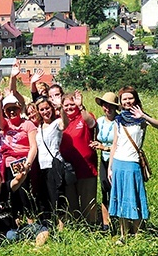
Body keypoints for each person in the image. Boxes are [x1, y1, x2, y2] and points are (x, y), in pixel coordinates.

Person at [109, 86, 158, 244]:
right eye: (124, 99)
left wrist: (144, 116)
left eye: (130, 98)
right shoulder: (118, 120)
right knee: (121, 199)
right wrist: (110, 167)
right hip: (119, 163)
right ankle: (123, 235)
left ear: (135, 99)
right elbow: (115, 144)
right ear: (120, 102)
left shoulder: (141, 119)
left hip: (133, 164)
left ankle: (138, 233)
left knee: (134, 198)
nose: (127, 101)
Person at [59, 90, 98, 224]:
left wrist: (81, 106)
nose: (69, 108)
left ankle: (92, 228)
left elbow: (92, 123)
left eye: (72, 104)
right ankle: (76, 228)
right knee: (71, 203)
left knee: (88, 202)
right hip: (68, 170)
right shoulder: (61, 122)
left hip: (86, 168)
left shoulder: (84, 117)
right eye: (66, 105)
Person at [0, 167, 49, 247]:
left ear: (1, 179)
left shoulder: (6, 187)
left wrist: (23, 172)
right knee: (12, 236)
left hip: (15, 229)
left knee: (42, 229)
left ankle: (36, 249)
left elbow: (18, 180)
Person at [0, 93, 38, 216]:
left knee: (24, 193)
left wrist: (27, 164)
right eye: (8, 110)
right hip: (8, 164)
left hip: (23, 162)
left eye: (14, 109)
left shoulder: (28, 124)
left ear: (20, 109)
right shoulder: (6, 124)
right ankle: (15, 220)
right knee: (12, 194)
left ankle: (30, 220)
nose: (11, 112)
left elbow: (33, 146)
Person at [34, 97, 69, 226]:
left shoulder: (57, 123)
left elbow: (65, 124)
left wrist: (61, 108)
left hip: (54, 164)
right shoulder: (38, 127)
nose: (45, 112)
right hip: (42, 166)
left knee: (57, 197)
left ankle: (62, 228)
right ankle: (49, 227)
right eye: (42, 109)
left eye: (47, 108)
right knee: (45, 198)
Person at [90, 91, 119, 231]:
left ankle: (118, 222)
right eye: (105, 105)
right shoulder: (100, 121)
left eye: (111, 106)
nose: (107, 108)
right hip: (104, 161)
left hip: (117, 161)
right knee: (105, 191)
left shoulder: (119, 122)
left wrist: (103, 147)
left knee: (117, 191)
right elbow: (95, 137)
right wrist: (96, 145)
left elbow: (119, 144)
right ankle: (105, 223)